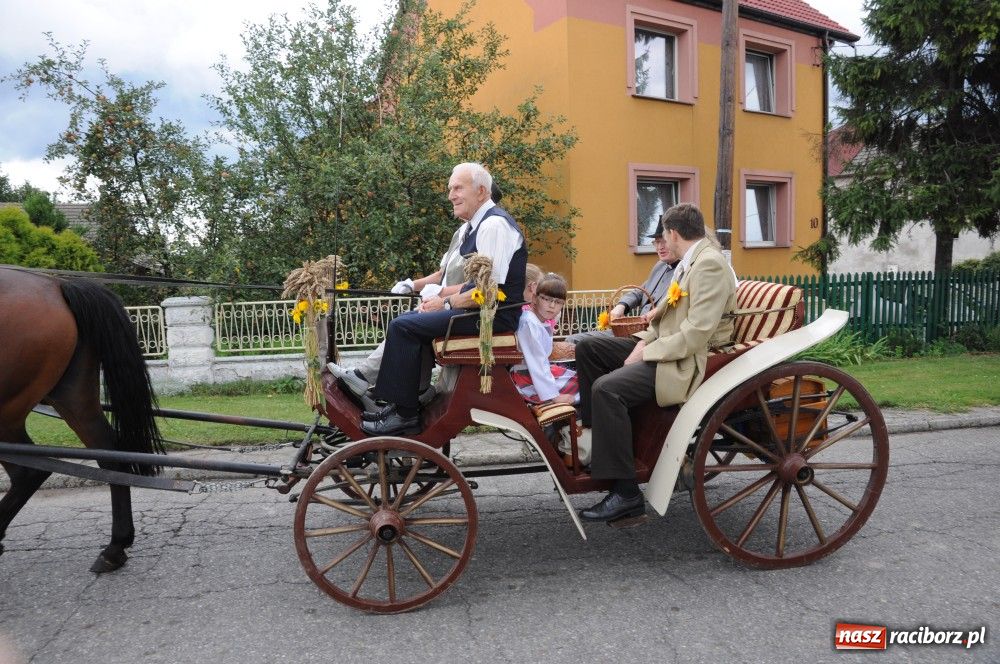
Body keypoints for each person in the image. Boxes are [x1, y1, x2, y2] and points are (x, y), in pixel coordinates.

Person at [575, 203, 737, 522]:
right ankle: (598, 446)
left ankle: (626, 494)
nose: (661, 242)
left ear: (673, 234)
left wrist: (648, 351)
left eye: (663, 235)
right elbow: (665, 319)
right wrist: (643, 342)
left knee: (606, 389)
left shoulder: (709, 265)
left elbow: (696, 335)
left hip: (685, 359)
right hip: (667, 345)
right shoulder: (690, 262)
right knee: (589, 348)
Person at [362, 162, 527, 435]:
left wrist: (445, 303)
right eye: (450, 189)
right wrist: (436, 297)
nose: (451, 195)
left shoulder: (493, 225)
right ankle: (403, 404)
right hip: (481, 312)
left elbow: (487, 292)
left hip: (494, 318)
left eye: (458, 188)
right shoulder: (478, 226)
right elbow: (474, 285)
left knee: (403, 327)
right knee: (411, 319)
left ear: (481, 191)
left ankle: (405, 416)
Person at [328, 183, 506, 405]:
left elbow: (480, 285)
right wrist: (412, 284)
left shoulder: (489, 231)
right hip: (445, 302)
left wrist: (443, 296)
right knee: (407, 324)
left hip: (459, 306)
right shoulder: (462, 232)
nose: (454, 199)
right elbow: (442, 274)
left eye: (461, 194)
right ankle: (408, 390)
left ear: (482, 198)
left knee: (405, 326)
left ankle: (377, 385)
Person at [565, 237, 678, 344]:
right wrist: (622, 306)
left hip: (651, 337)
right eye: (656, 242)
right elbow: (640, 292)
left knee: (584, 344)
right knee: (572, 340)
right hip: (631, 330)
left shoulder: (683, 271)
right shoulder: (660, 266)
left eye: (664, 241)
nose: (660, 247)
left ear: (675, 240)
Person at [510, 271, 579, 406]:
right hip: (527, 378)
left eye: (558, 302)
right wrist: (553, 396)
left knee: (583, 379)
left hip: (536, 375)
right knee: (583, 387)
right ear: (534, 298)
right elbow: (537, 362)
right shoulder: (529, 323)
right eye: (546, 299)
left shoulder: (539, 321)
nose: (552, 306)